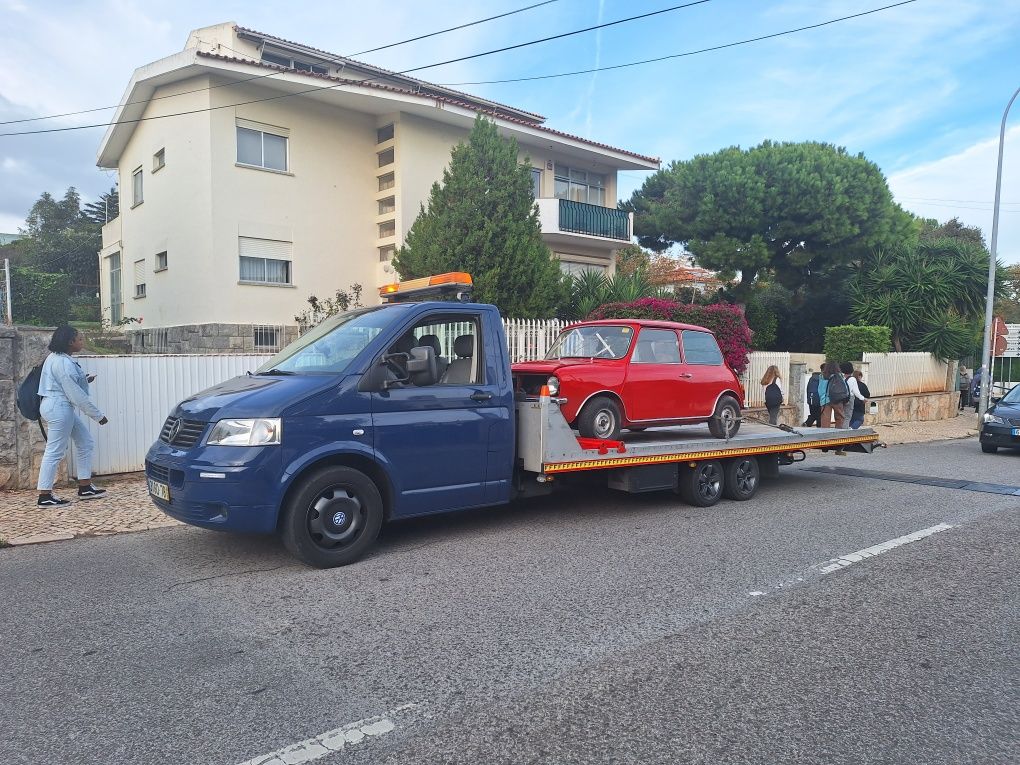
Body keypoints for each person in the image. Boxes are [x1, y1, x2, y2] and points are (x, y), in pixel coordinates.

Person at [36, 326, 109, 507]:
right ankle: (44, 496)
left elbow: (66, 383)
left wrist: (84, 378)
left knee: (85, 442)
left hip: (58, 405)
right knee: (54, 451)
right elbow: (75, 394)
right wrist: (98, 416)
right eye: (80, 339)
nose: (82, 342)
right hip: (59, 407)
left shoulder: (57, 358)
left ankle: (85, 487)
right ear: (70, 342)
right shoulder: (63, 362)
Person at [840, 362, 866, 432]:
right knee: (847, 416)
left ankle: (839, 430)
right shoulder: (852, 379)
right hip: (849, 399)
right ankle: (844, 432)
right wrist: (863, 398)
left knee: (841, 416)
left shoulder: (841, 378)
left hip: (840, 399)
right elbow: (856, 392)